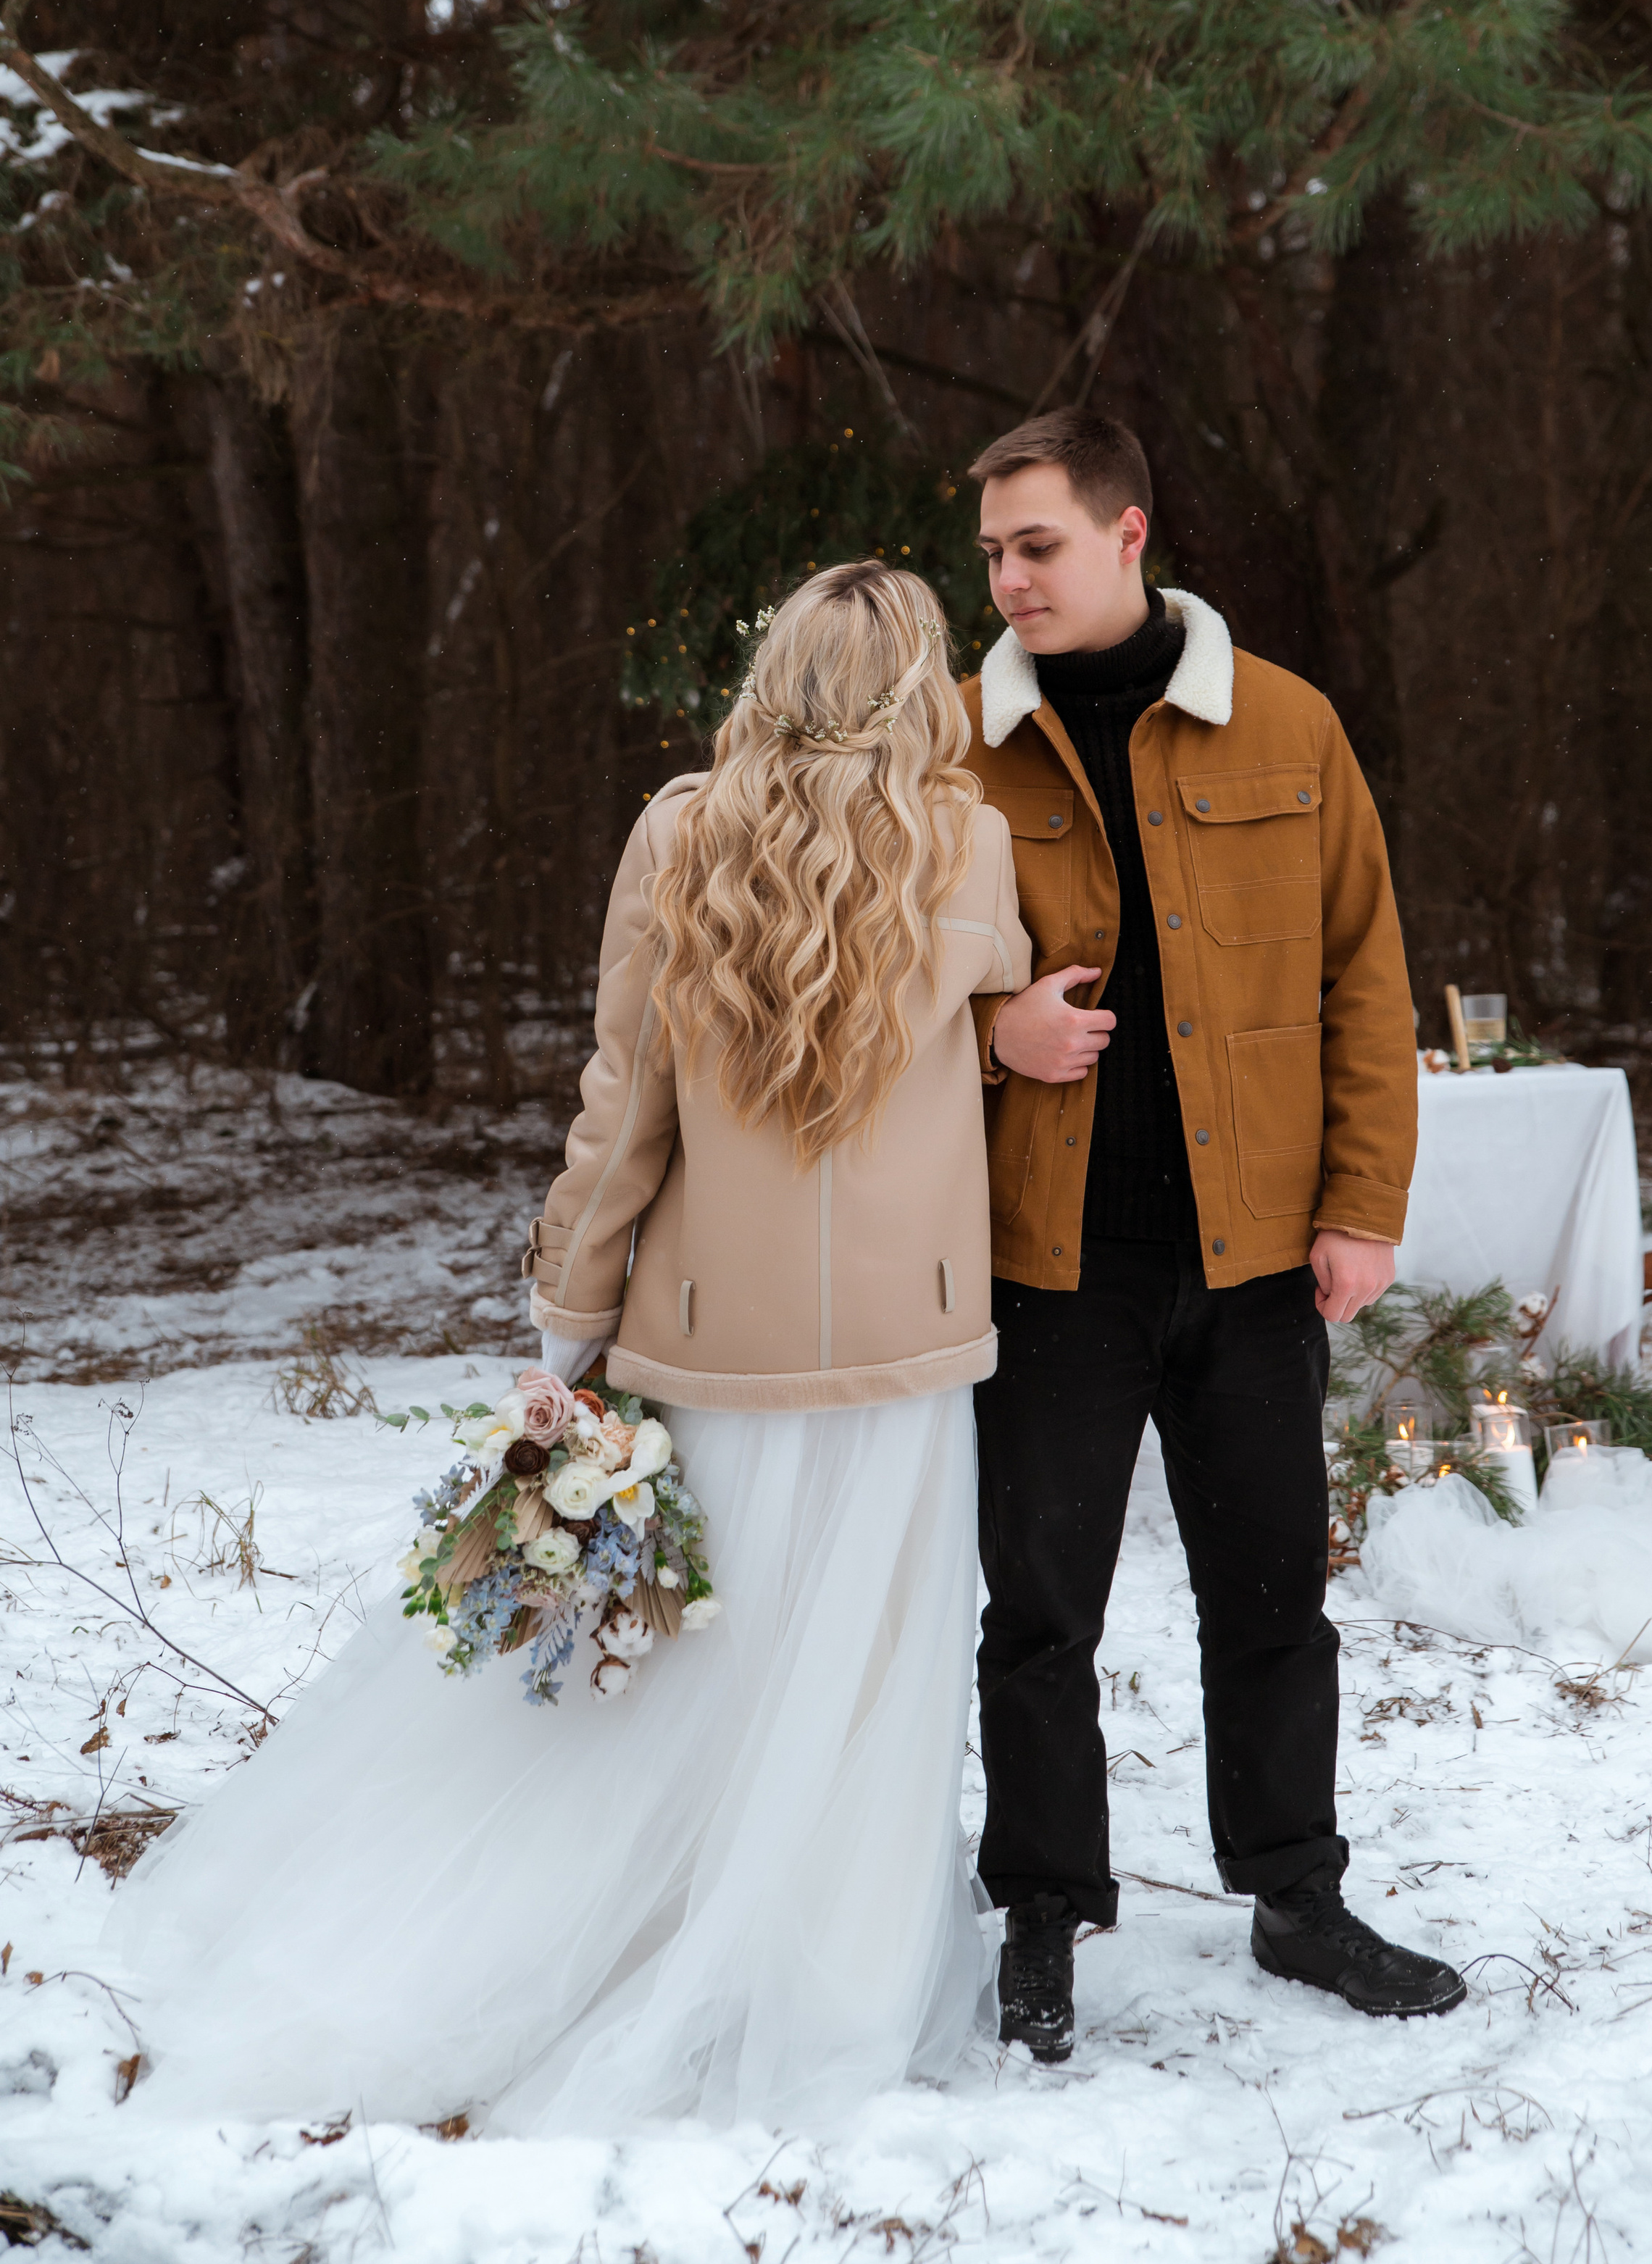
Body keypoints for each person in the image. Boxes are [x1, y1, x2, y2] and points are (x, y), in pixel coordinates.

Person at [113, 561, 1030, 2133]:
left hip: (700, 1340)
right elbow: (991, 1024)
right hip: (908, 1340)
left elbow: (625, 1110)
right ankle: (839, 1992)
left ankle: (628, 1937)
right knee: (865, 1687)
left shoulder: (683, 831)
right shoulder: (972, 842)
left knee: (681, 1681)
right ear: (919, 685)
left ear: (776, 672)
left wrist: (571, 1310)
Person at [957, 407, 1467, 2063]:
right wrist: (989, 1032)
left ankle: (1294, 1897)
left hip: (1251, 1258)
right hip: (1049, 1260)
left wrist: (1361, 1205)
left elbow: (1362, 979)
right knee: (1038, 1610)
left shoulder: (1288, 726)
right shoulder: (951, 749)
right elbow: (872, 981)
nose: (1007, 578)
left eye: (1035, 543)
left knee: (1268, 1597)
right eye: (989, 554)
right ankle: (1042, 1911)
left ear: (1125, 535)